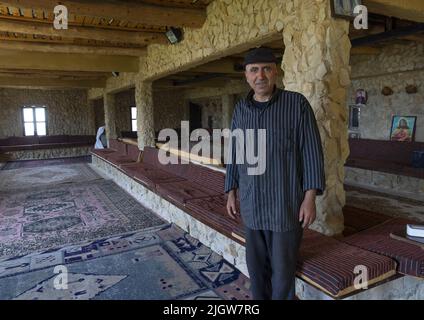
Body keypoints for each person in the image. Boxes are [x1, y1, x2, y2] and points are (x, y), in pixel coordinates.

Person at [224, 47, 325, 300]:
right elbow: (235, 154)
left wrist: (310, 198)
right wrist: (230, 191)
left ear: (275, 71)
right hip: (252, 204)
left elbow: (311, 152)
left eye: (266, 69)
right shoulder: (240, 111)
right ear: (246, 76)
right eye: (254, 70)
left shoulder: (296, 104)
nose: (261, 75)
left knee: (282, 274)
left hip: (285, 204)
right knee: (257, 273)